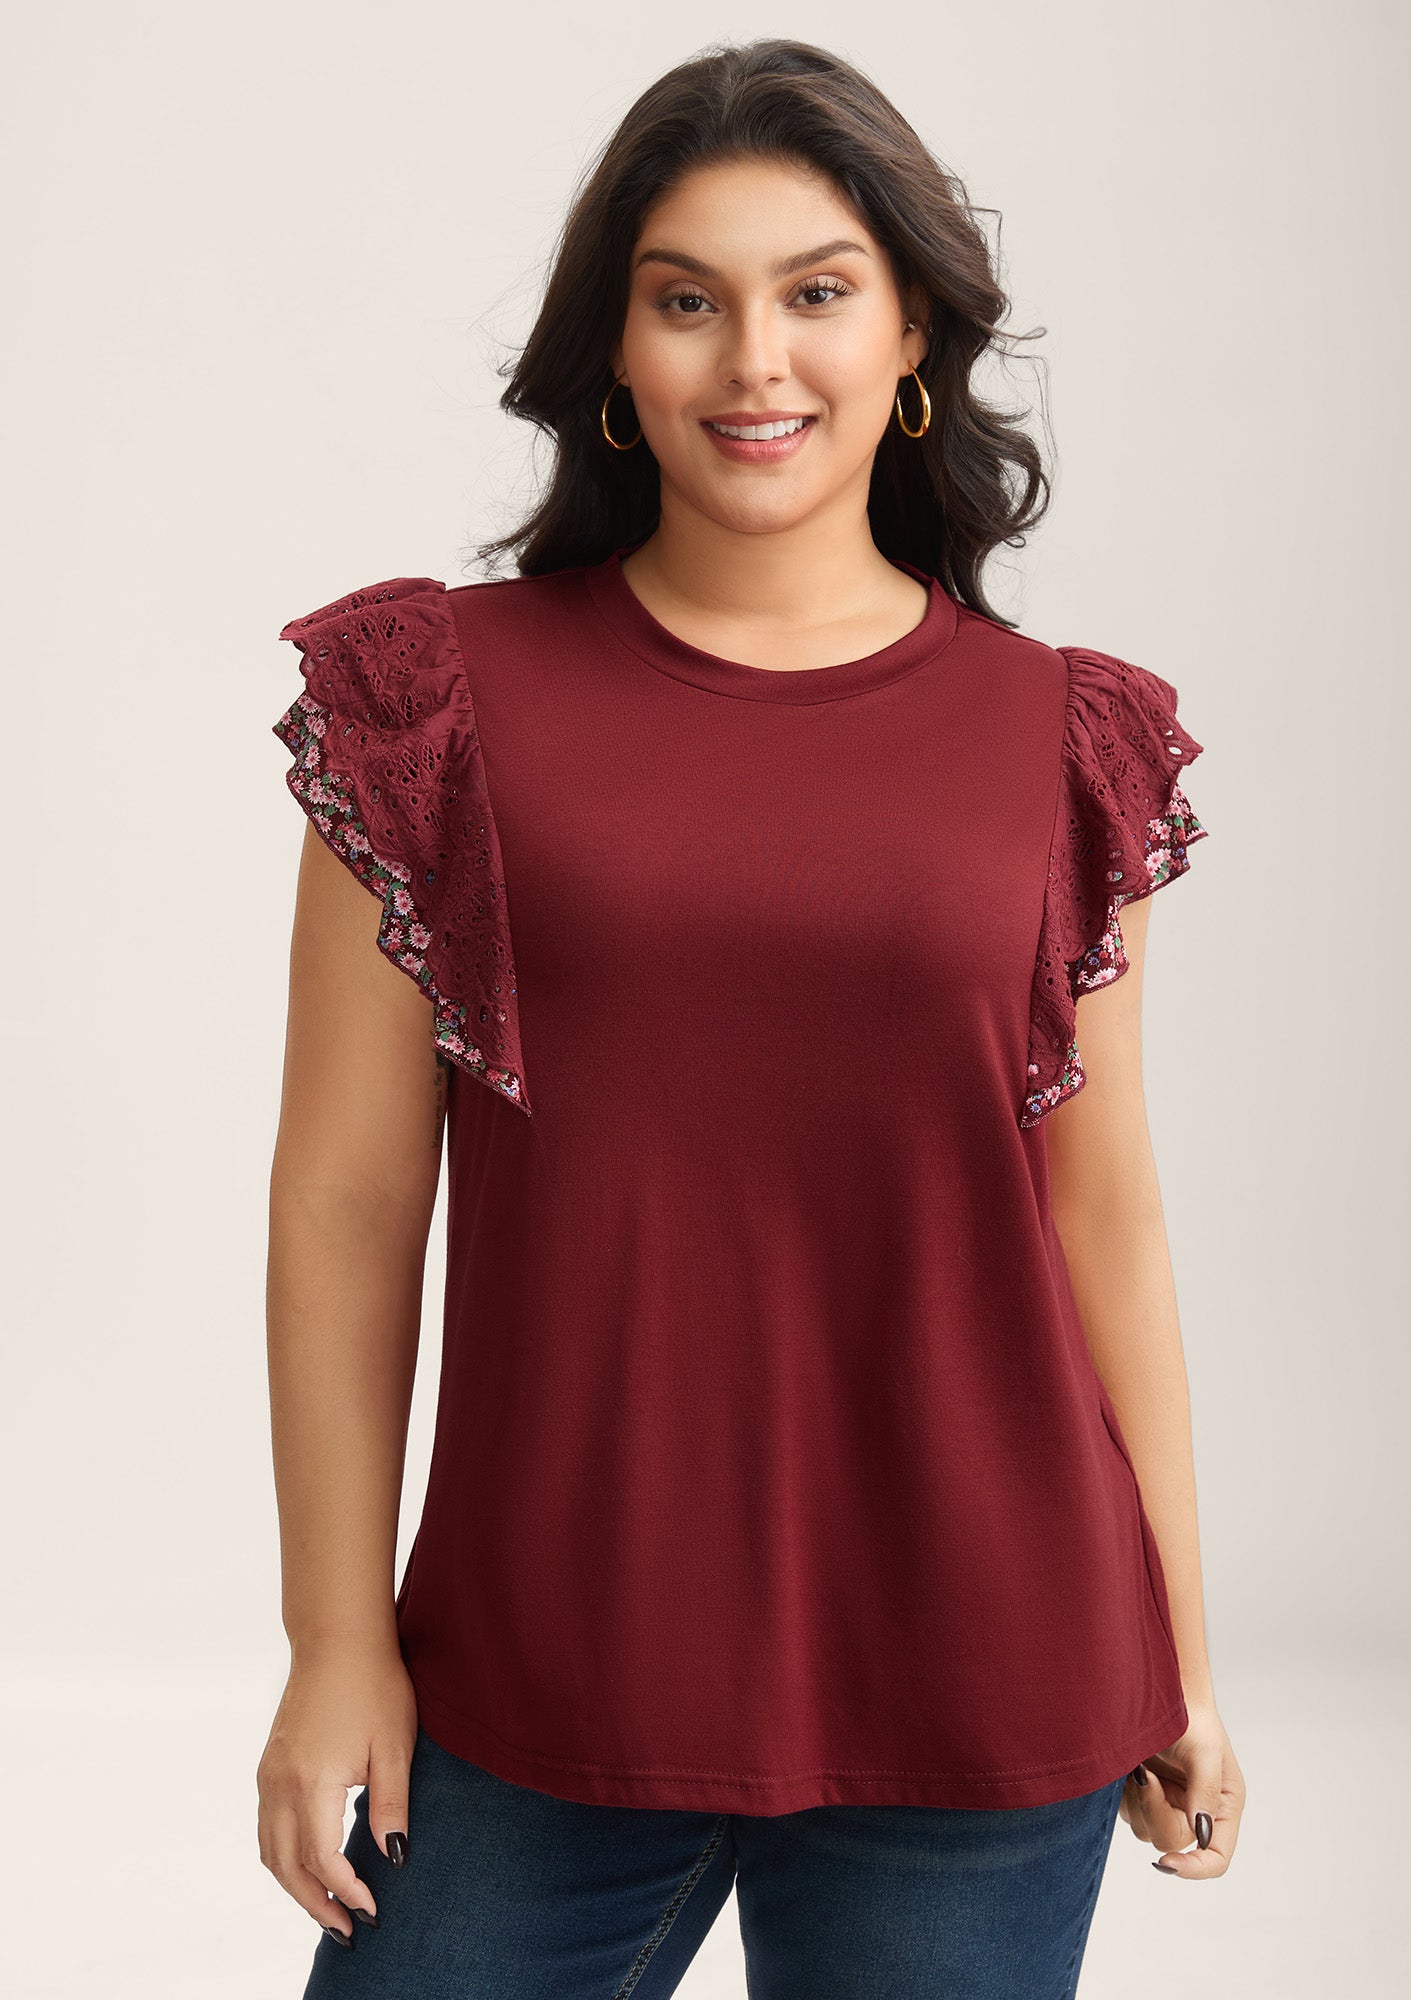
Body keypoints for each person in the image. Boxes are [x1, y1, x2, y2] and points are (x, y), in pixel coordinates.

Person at [256, 35, 1245, 1997]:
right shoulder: (430, 706)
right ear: (616, 356)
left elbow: (1105, 1217)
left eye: (817, 293)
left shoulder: (1065, 737)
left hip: (988, 1673)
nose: (755, 360)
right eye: (688, 300)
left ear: (911, 338)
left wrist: (1188, 1660)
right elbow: (346, 1208)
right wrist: (333, 1638)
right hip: (538, 1675)